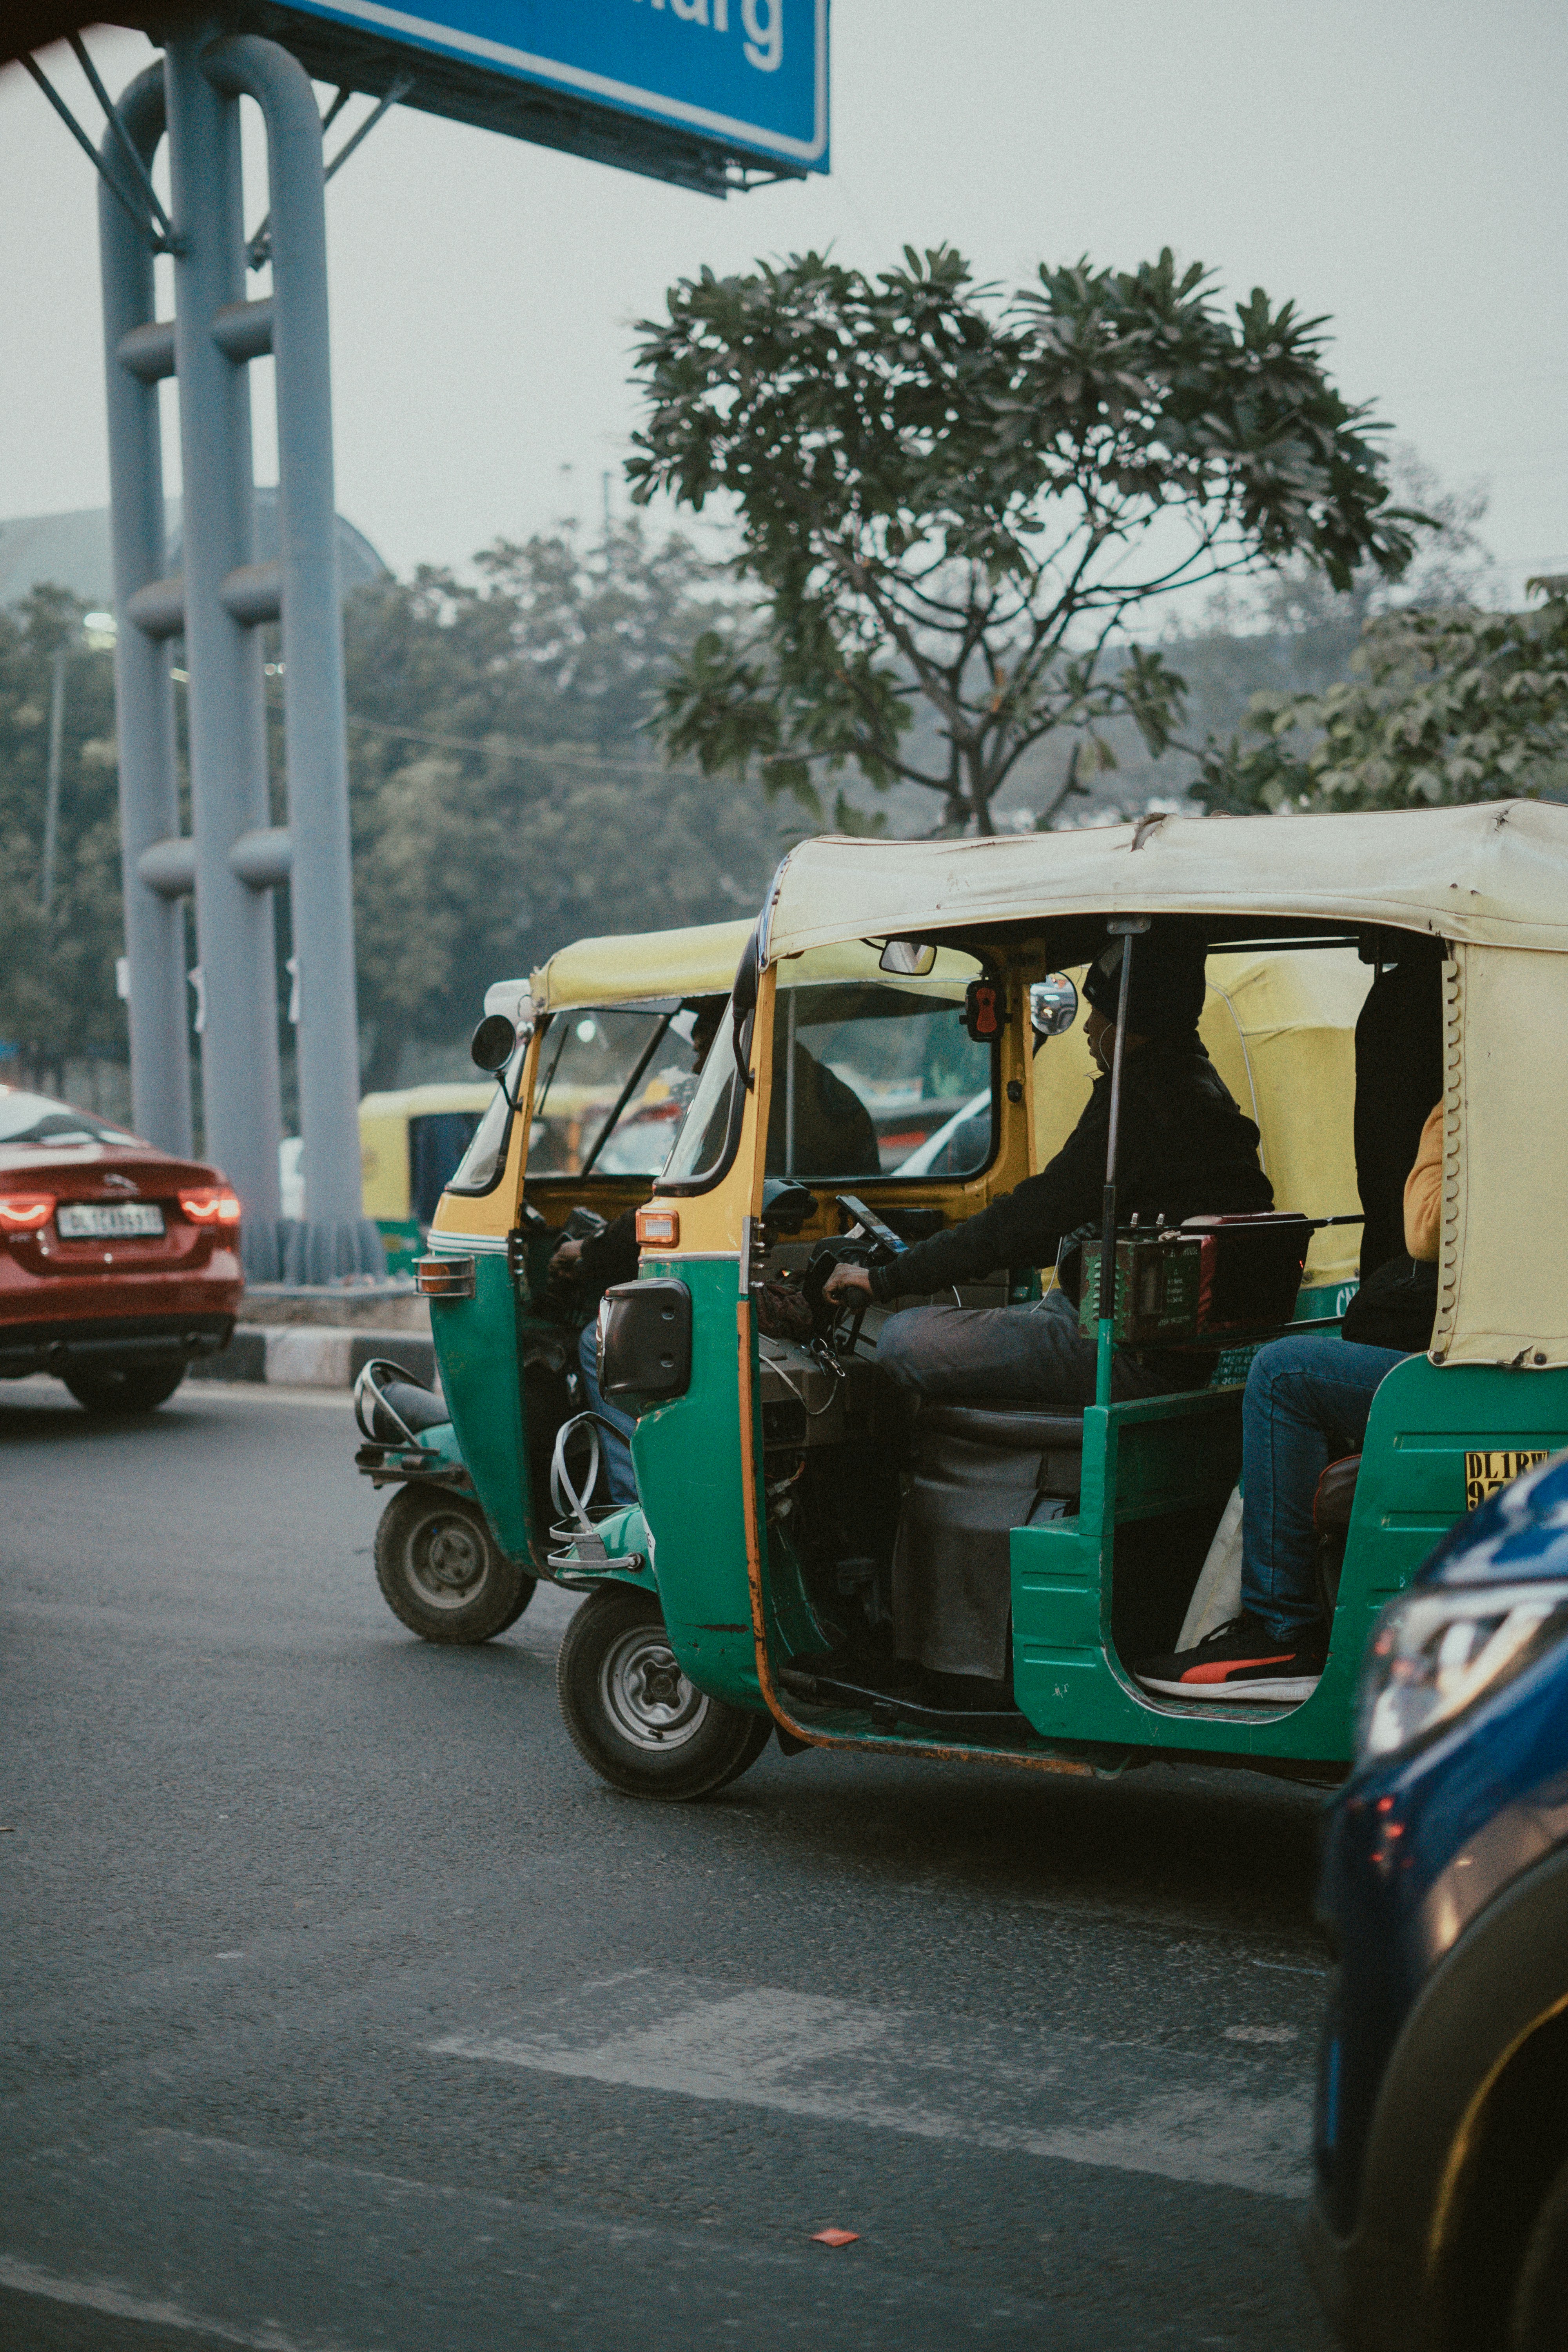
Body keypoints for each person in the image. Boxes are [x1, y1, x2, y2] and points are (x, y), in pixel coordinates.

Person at [822, 923, 1274, 1408]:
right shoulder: (1198, 1085)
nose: (1086, 1027)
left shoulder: (1141, 1103)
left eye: (1097, 1012)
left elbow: (1033, 1218)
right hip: (1138, 1340)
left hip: (1120, 1351)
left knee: (904, 1337)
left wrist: (885, 1280)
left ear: (1128, 1023)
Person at [1134, 1102, 1443, 1701]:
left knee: (1283, 1371)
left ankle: (1283, 1629)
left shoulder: (1495, 1095)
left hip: (1501, 1374)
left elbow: (1426, 1227)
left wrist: (1450, 1115)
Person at [550, 998, 725, 1505]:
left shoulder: (736, 1100)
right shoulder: (799, 1085)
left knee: (600, 1340)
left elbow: (667, 1206)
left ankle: (638, 1505)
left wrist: (587, 1250)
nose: (696, 1066)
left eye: (702, 1050)